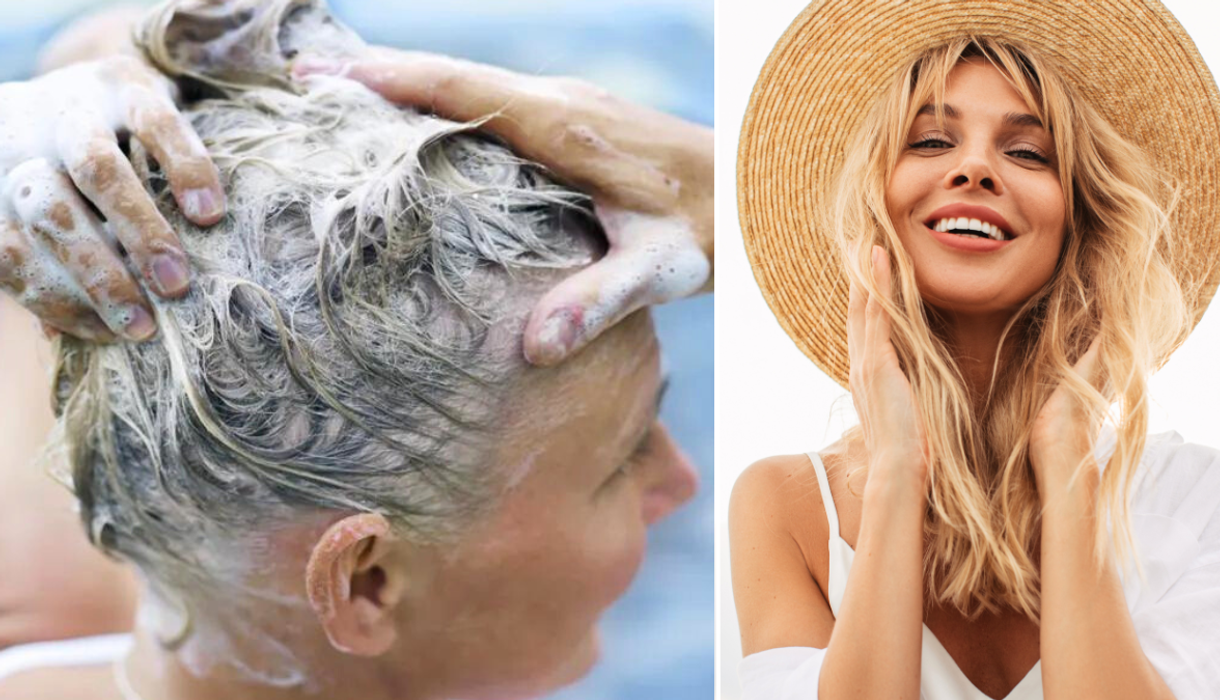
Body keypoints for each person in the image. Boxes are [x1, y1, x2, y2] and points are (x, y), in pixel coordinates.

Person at [0, 0, 711, 698]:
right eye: (621, 462)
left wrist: (136, 54)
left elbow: (97, 45)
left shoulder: (47, 603)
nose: (682, 483)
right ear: (367, 582)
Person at [730, 2, 1220, 699]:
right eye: (929, 142)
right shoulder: (784, 507)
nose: (974, 166)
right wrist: (897, 470)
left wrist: (1065, 457)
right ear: (877, 203)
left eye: (1027, 152)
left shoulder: (1204, 501)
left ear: (1083, 223)